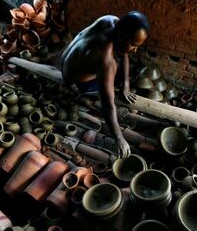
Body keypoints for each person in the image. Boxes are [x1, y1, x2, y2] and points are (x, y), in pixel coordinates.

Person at [61, 11, 150, 158]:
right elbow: (108, 104)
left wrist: (126, 84)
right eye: (133, 45)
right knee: (111, 87)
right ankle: (85, 98)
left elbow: (124, 51)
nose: (135, 49)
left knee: (122, 73)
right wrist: (119, 138)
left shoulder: (110, 20)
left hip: (67, 63)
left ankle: (117, 83)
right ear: (121, 36)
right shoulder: (107, 60)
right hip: (75, 82)